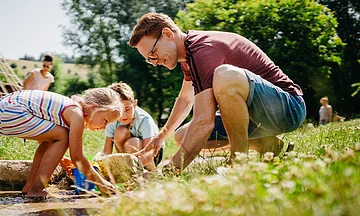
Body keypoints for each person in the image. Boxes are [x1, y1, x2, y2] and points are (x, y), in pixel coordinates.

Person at [129, 12, 306, 173]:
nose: (153, 62)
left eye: (153, 53)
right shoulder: (188, 57)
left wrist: (166, 173)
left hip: (288, 108)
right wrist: (161, 136)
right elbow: (185, 99)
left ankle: (238, 163)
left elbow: (204, 123)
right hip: (259, 115)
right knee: (182, 136)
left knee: (224, 76)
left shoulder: (202, 50)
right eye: (148, 59)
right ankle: (268, 146)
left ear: (167, 34)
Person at [0, 88, 122, 197]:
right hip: (12, 111)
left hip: (6, 108)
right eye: (105, 120)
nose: (104, 127)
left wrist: (62, 158)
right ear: (93, 108)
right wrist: (101, 183)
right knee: (64, 136)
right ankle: (37, 189)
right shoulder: (76, 114)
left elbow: (44, 142)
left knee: (53, 140)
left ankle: (30, 187)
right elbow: (77, 159)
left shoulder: (69, 108)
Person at [103, 82, 163, 171]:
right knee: (120, 132)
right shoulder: (112, 119)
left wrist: (134, 167)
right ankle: (124, 165)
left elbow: (150, 151)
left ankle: (150, 172)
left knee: (133, 143)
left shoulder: (144, 120)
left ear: (134, 105)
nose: (123, 115)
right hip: (130, 154)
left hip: (152, 153)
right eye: (118, 110)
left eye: (127, 109)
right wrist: (105, 168)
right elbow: (107, 151)